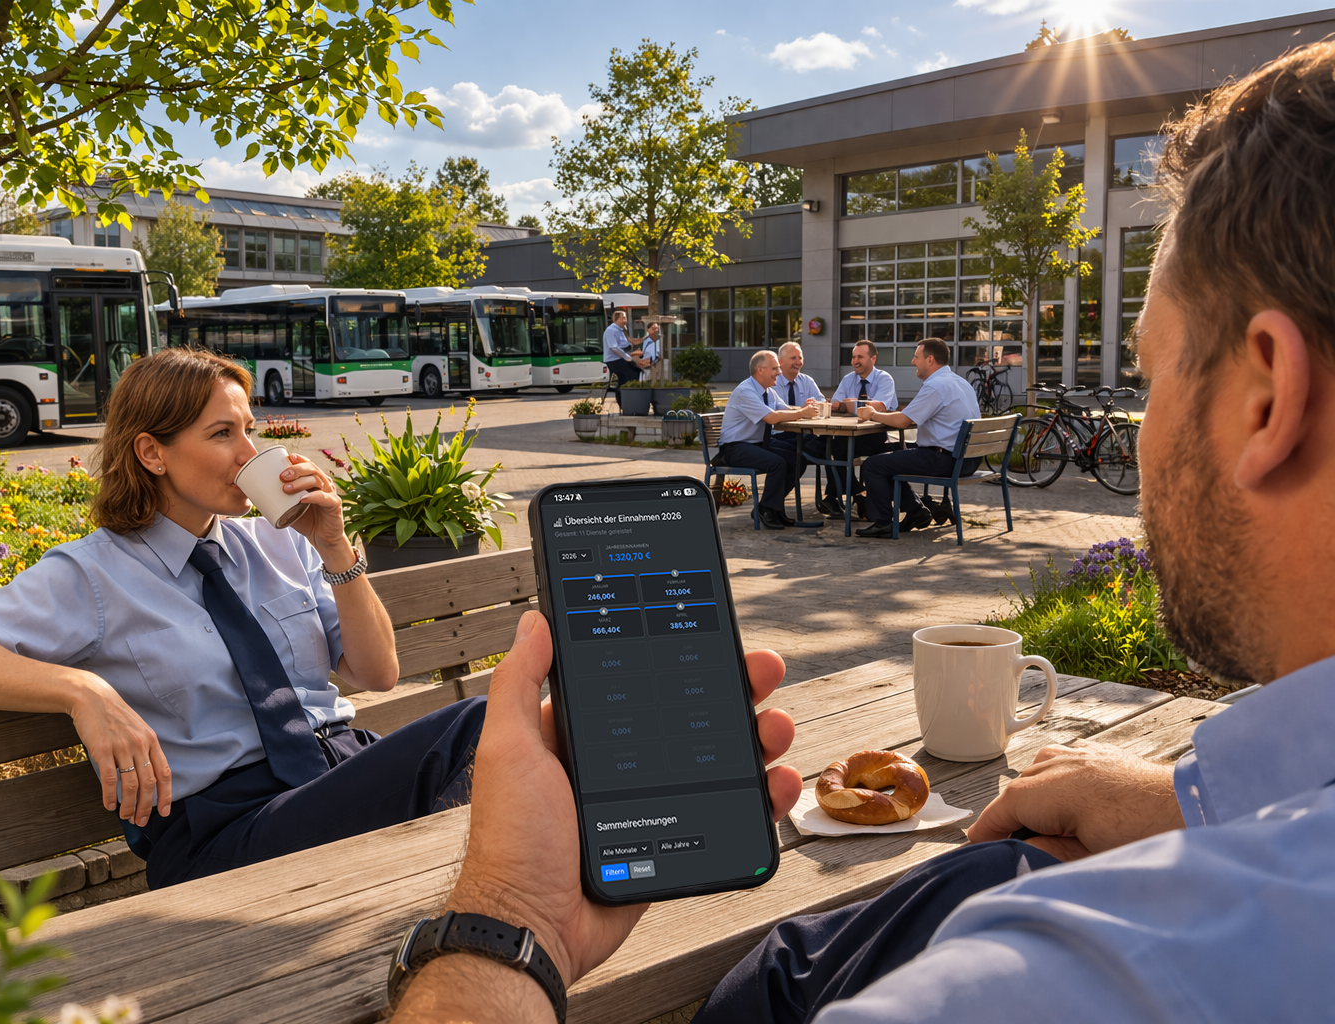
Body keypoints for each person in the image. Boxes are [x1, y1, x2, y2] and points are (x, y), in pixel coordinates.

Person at [383, 40, 1335, 1023]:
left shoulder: (1052, 983)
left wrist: (508, 920)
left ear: (1266, 396)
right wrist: (1193, 806)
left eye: (1148, 374)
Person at [0, 347, 487, 890]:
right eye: (222, 434)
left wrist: (336, 548)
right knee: (483, 722)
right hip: (226, 829)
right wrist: (83, 691)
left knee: (515, 726)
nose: (249, 454)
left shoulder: (281, 543)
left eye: (250, 432)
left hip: (338, 772)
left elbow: (377, 672)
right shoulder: (92, 574)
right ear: (152, 452)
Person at [852, 338, 978, 538]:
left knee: (873, 465)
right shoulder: (960, 382)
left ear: (930, 360)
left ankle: (883, 522)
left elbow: (903, 421)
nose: (912, 362)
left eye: (915, 357)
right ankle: (916, 512)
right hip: (968, 459)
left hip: (946, 459)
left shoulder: (935, 386)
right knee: (885, 453)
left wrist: (872, 415)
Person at [717, 349, 821, 529]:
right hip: (736, 447)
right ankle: (767, 510)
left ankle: (770, 507)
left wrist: (804, 408)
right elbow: (771, 418)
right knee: (777, 463)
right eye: (775, 369)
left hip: (757, 443)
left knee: (798, 460)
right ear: (760, 370)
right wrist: (802, 413)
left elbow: (785, 409)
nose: (779, 373)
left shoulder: (768, 391)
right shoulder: (746, 391)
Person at [818, 341, 899, 520]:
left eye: (860, 357)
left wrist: (851, 404)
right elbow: (836, 405)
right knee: (829, 445)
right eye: (853, 357)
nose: (855, 361)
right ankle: (858, 493)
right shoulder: (848, 379)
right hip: (852, 436)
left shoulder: (884, 378)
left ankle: (834, 497)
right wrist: (845, 405)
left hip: (875, 437)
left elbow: (879, 407)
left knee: (833, 447)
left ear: (873, 358)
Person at [769, 341, 829, 507]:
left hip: (802, 434)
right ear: (780, 362)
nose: (798, 361)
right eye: (793, 357)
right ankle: (770, 505)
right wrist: (801, 411)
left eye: (800, 357)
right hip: (779, 435)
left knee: (831, 445)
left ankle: (833, 497)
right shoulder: (772, 383)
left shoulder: (807, 381)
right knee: (818, 450)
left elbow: (821, 402)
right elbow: (775, 413)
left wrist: (814, 406)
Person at [602, 310, 643, 397]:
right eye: (624, 317)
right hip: (615, 360)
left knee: (624, 380)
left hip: (620, 358)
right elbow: (613, 347)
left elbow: (624, 345)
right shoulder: (611, 330)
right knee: (632, 375)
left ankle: (624, 400)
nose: (626, 320)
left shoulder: (621, 330)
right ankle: (628, 398)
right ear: (619, 318)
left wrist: (632, 353)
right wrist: (626, 357)